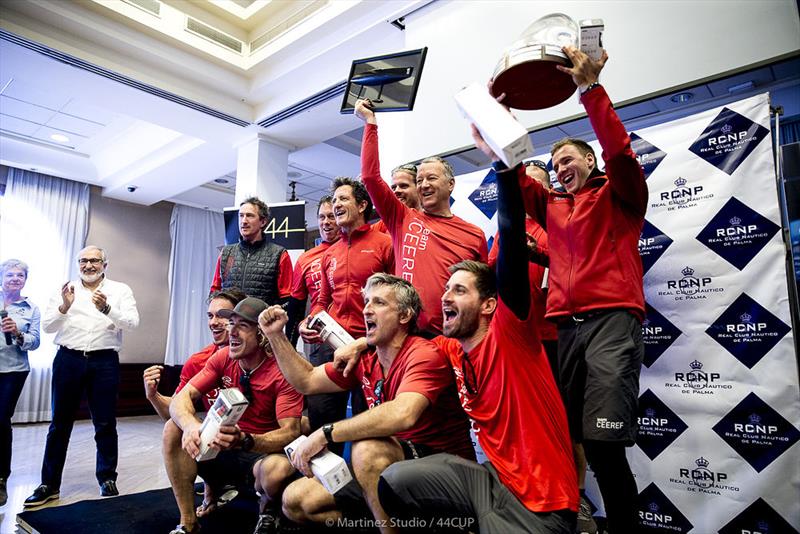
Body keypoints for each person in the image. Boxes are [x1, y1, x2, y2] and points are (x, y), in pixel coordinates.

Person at [376, 123, 578, 533]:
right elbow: (398, 341)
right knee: (396, 481)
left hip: (541, 503)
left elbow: (509, 238)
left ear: (489, 304)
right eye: (446, 289)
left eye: (459, 290)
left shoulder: (511, 332)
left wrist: (504, 168)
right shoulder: (451, 348)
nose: (445, 297)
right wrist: (360, 341)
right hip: (490, 484)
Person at [516, 47, 647, 534]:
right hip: (564, 331)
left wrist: (590, 90)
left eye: (567, 158)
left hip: (612, 319)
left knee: (606, 445)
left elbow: (619, 150)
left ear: (589, 162)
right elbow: (512, 180)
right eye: (554, 163)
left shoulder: (619, 192)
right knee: (575, 442)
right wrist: (497, 120)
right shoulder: (553, 206)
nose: (558, 167)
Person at [255, 273, 474, 534]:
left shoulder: (423, 353)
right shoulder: (365, 358)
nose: (367, 309)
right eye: (367, 301)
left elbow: (403, 414)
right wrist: (275, 336)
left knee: (368, 448)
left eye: (379, 303)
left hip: (442, 466)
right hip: (389, 466)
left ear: (404, 316)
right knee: (297, 501)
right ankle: (392, 521)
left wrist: (325, 433)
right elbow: (307, 381)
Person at [165, 297, 303, 534]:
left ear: (262, 335)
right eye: (232, 324)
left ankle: (267, 511)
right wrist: (190, 426)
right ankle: (188, 523)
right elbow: (181, 398)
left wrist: (247, 439)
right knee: (172, 428)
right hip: (220, 448)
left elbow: (291, 431)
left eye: (243, 326)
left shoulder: (283, 370)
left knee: (276, 470)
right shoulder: (223, 357)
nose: (232, 332)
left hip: (259, 452)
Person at [356, 100, 488, 336]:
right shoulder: (402, 218)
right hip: (407, 333)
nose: (424, 185)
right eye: (420, 181)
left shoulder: (474, 234)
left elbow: (482, 290)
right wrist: (370, 123)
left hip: (454, 336)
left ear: (450, 184)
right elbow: (370, 177)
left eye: (431, 179)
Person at [25, 246, 139, 507]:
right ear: (78, 264)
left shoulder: (120, 290)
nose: (88, 265)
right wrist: (65, 306)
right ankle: (49, 484)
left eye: (94, 260)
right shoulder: (65, 290)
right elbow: (48, 327)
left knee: (105, 423)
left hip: (104, 361)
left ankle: (107, 478)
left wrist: (108, 308)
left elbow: (133, 323)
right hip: (68, 359)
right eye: (83, 261)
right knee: (59, 425)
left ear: (104, 264)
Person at [298, 177, 394, 422]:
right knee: (322, 421)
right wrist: (309, 321)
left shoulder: (385, 244)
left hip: (370, 347)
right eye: (334, 200)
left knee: (368, 424)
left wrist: (369, 342)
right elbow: (322, 300)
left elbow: (397, 298)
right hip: (332, 346)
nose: (336, 205)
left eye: (343, 199)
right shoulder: (330, 253)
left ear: (362, 205)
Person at [143, 289, 246, 420]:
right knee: (172, 428)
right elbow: (173, 413)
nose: (213, 322)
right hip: (219, 433)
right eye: (210, 316)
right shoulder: (199, 361)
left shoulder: (258, 357)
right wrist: (153, 395)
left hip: (258, 434)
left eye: (221, 315)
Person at [0, 259, 41, 507]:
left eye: (20, 276)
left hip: (14, 371)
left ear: (24, 280)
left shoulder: (30, 309)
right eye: (10, 275)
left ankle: (1, 478)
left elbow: (35, 342)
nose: (15, 279)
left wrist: (17, 333)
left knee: (1, 420)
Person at [210, 196, 293, 306]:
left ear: (263, 222)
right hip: (229, 321)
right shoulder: (226, 253)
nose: (244, 221)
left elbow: (287, 298)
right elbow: (215, 291)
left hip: (260, 322)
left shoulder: (279, 254)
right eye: (241, 216)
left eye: (249, 216)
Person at [284, 196, 339, 346]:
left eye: (331, 216)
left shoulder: (354, 249)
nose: (326, 222)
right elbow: (296, 307)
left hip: (354, 331)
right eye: (322, 217)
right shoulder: (305, 259)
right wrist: (290, 345)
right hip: (320, 333)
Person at [372, 164, 420, 234]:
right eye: (394, 188)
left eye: (403, 186)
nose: (396, 191)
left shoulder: (431, 219)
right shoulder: (386, 223)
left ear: (418, 187)